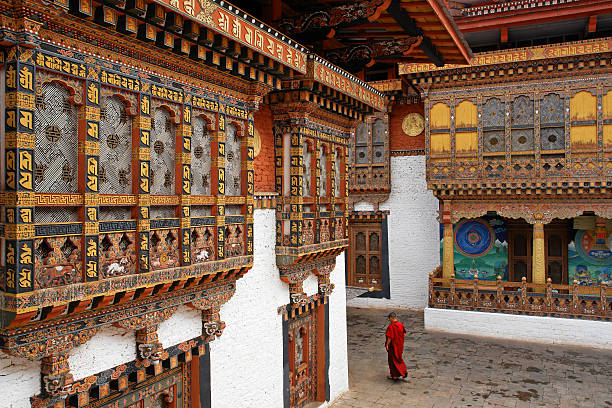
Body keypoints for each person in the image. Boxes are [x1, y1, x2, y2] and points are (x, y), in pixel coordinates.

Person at [385, 312, 407, 380]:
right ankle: (403, 371)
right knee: (399, 358)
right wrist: (401, 341)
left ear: (391, 318)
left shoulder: (391, 326)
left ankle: (394, 375)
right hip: (399, 345)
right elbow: (404, 334)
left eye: (389, 319)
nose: (389, 320)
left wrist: (387, 345)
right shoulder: (400, 325)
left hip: (393, 346)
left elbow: (390, 337)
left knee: (392, 360)